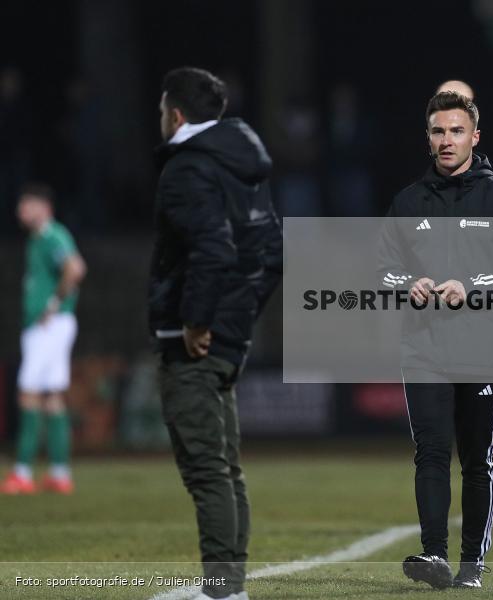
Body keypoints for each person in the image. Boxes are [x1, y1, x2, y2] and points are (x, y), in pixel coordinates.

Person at [378, 91, 493, 589]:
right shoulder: (407, 202)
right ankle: (433, 556)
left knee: (476, 458)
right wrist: (409, 285)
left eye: (454, 131)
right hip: (424, 348)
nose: (445, 140)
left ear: (474, 136)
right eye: (436, 131)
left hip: (481, 350)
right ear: (427, 139)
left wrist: (469, 290)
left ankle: (472, 565)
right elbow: (382, 274)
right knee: (430, 452)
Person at [150, 67, 283, 600]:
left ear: (176, 115)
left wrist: (198, 321)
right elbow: (271, 253)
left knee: (207, 469)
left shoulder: (189, 170)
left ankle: (222, 590)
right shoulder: (243, 167)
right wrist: (237, 322)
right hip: (231, 333)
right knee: (225, 468)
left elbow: (213, 249)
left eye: (162, 111)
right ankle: (230, 586)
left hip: (196, 340)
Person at [1, 184, 86, 495]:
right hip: (50, 327)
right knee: (51, 398)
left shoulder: (53, 236)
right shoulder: (37, 240)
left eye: (26, 205)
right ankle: (60, 473)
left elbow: (75, 268)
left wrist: (52, 304)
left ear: (43, 207)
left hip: (49, 327)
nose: (20, 211)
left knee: (28, 393)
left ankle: (22, 473)